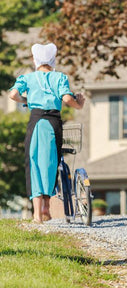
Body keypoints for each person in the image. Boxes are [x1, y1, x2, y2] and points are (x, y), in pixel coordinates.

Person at [8, 43, 85, 223]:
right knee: (51, 163)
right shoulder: (59, 77)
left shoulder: (27, 78)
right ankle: (47, 209)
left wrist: (25, 101)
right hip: (53, 122)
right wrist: (79, 104)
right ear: (53, 60)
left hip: (35, 122)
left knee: (33, 162)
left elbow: (12, 95)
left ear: (35, 60)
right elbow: (66, 98)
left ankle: (36, 215)